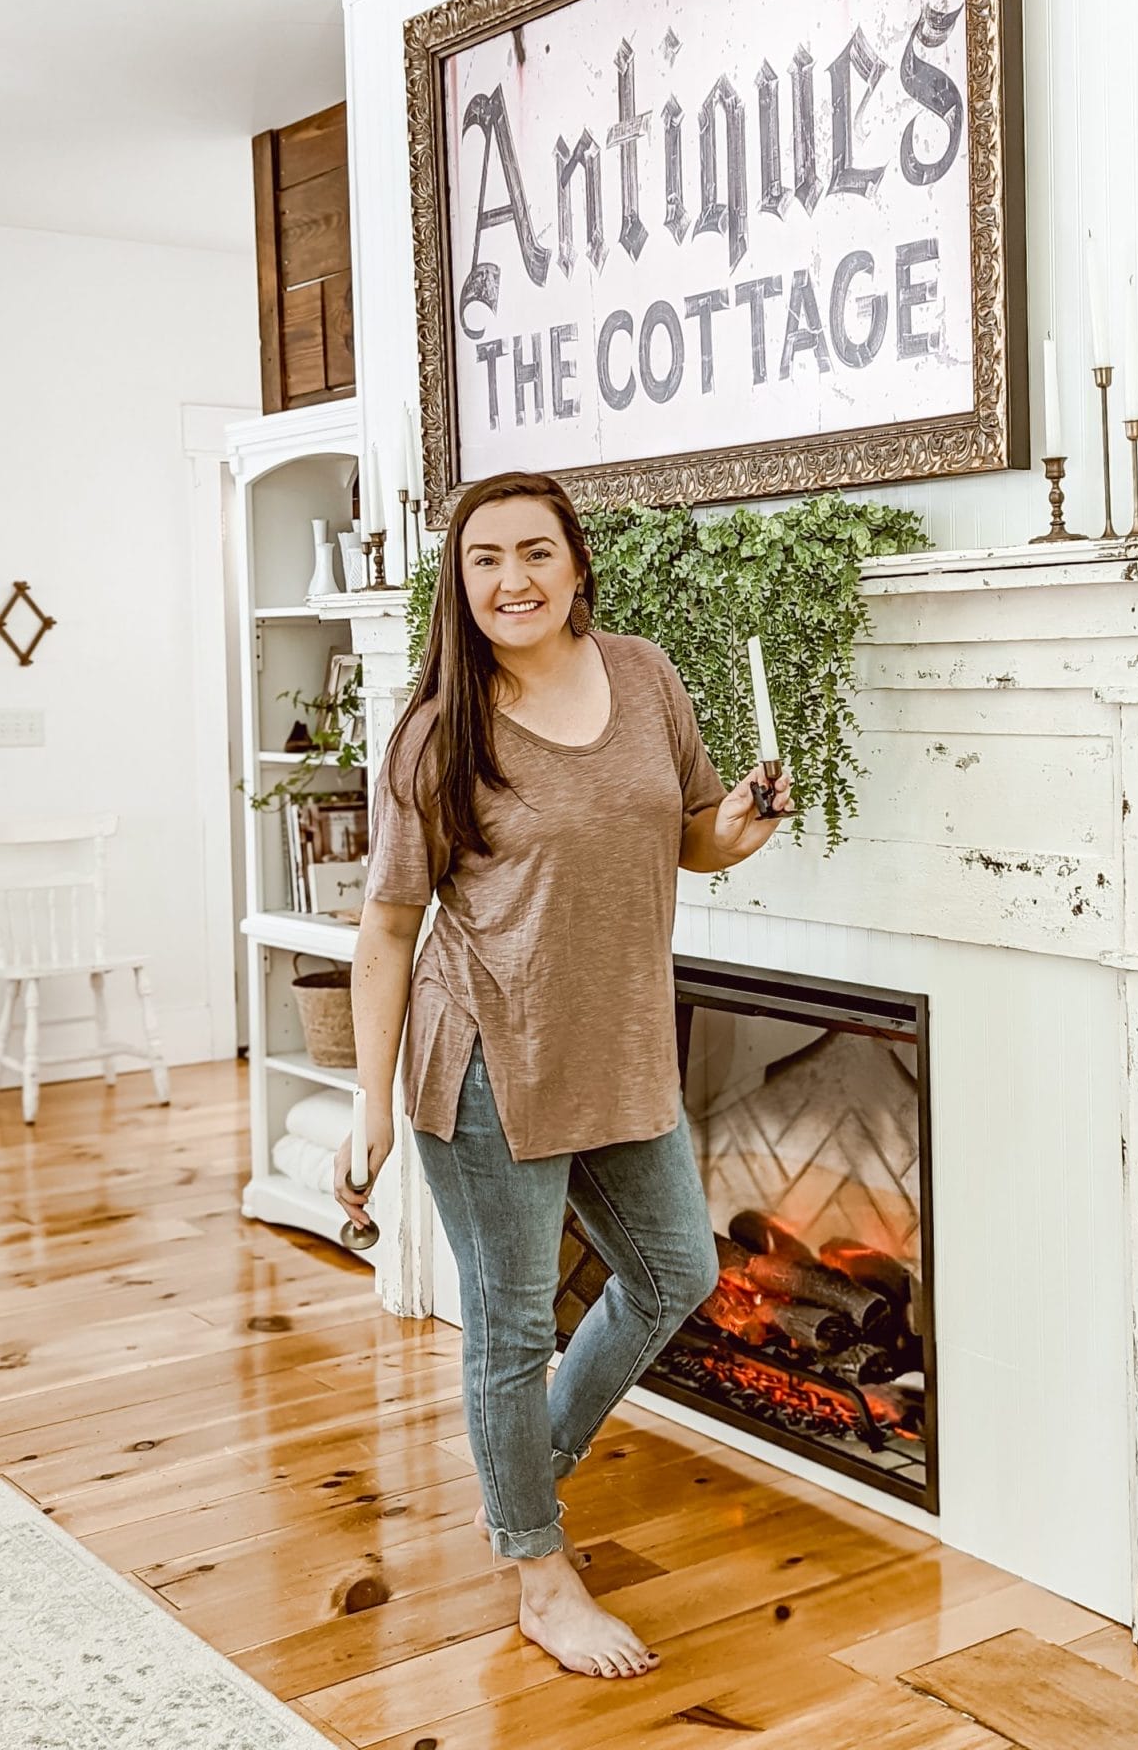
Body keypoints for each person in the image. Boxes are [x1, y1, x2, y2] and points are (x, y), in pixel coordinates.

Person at [332, 468, 793, 1681]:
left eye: (535, 552)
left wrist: (733, 834)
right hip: (486, 1053)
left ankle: (520, 1465)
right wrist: (368, 1103)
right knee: (512, 1317)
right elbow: (386, 929)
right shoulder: (442, 730)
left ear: (578, 565)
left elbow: (684, 831)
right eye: (485, 559)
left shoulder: (643, 675)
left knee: (676, 1269)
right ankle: (541, 1574)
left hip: (621, 1036)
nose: (512, 579)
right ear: (460, 582)